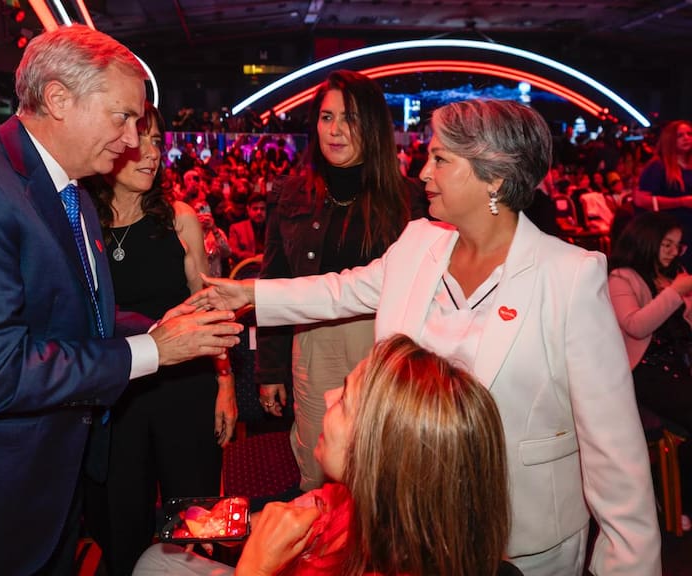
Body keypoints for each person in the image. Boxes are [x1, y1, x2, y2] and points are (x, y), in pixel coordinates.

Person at [189, 99, 661, 575]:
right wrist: (247, 294)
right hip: (411, 531)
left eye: (439, 159)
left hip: (523, 537)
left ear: (493, 177)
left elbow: (615, 454)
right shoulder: (419, 243)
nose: (422, 171)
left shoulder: (570, 276)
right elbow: (341, 290)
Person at [0, 25, 242, 576]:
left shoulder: (69, 192)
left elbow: (72, 315)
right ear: (58, 99)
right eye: (122, 117)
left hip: (48, 479)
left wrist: (157, 328)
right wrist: (152, 351)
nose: (131, 139)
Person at [133, 334, 521, 576]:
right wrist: (238, 523)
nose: (327, 396)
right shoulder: (366, 505)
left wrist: (256, 567)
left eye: (346, 401)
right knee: (157, 558)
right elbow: (297, 512)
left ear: (379, 452)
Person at [81, 102, 237, 576]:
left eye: (157, 142)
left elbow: (209, 308)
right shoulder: (82, 222)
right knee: (119, 522)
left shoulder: (178, 217)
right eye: (141, 141)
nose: (152, 154)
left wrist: (225, 382)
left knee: (200, 523)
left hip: (186, 388)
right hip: (118, 393)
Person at [253, 69, 427, 492]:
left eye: (348, 119)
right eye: (326, 117)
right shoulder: (292, 193)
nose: (335, 131)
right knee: (320, 468)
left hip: (387, 347)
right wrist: (270, 367)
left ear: (372, 126)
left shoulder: (408, 199)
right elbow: (275, 279)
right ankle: (321, 558)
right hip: (316, 343)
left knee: (385, 471)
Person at [608, 211, 692, 528]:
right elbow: (637, 326)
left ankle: (679, 492)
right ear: (648, 241)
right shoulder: (622, 277)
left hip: (680, 362)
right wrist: (674, 293)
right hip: (644, 369)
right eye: (667, 244)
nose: (674, 252)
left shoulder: (675, 275)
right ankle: (678, 497)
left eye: (678, 246)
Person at [635, 120, 692, 268]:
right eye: (680, 135)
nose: (686, 138)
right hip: (670, 233)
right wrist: (681, 201)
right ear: (670, 139)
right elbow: (641, 200)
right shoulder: (658, 167)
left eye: (689, 134)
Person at [227, 191, 267, 265]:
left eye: (262, 209)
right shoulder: (236, 228)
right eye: (255, 209)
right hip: (246, 269)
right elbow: (233, 251)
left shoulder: (272, 229)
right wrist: (255, 257)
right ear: (248, 209)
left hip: (268, 269)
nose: (259, 212)